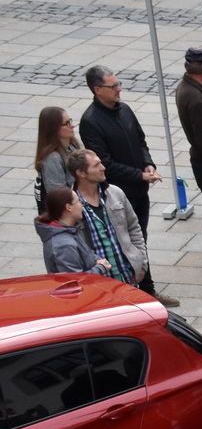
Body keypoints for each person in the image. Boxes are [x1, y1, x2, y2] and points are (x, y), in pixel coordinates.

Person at [79, 67, 162, 270]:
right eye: (113, 86)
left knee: (140, 237)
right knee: (127, 242)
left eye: (118, 84)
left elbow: (140, 141)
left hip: (140, 189)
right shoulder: (91, 121)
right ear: (97, 89)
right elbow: (106, 163)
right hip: (119, 194)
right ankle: (138, 285)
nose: (119, 89)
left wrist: (148, 164)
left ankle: (146, 284)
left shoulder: (124, 109)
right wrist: (139, 175)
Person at [68, 152, 148, 295]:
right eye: (96, 165)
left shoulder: (115, 193)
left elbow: (134, 227)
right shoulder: (71, 205)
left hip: (128, 278)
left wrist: (141, 263)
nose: (103, 167)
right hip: (98, 285)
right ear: (80, 173)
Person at [35, 190, 106, 276]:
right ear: (69, 207)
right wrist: (101, 268)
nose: (81, 204)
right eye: (78, 201)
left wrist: (97, 260)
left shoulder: (71, 229)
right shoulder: (63, 245)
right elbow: (75, 279)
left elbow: (86, 254)